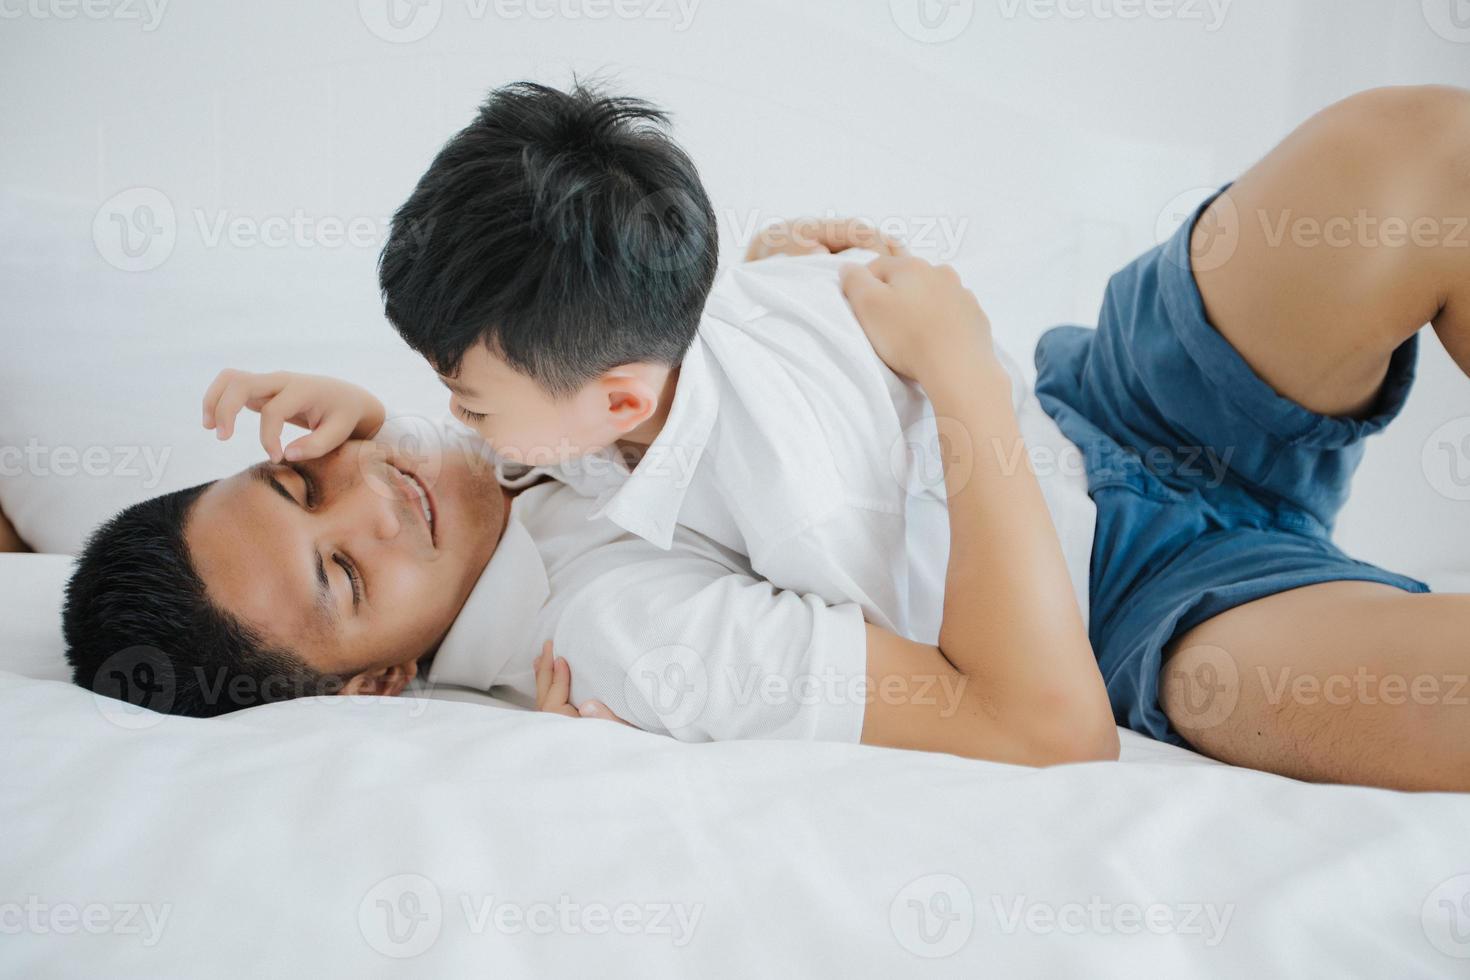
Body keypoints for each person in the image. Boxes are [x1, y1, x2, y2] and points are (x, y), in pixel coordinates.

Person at [64, 254, 1119, 766]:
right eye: (340, 573)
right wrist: (955, 361)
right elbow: (1045, 724)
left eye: (302, 481)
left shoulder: (478, 470)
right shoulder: (618, 629)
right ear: (379, 682)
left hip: (1087, 383)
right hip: (1134, 583)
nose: (373, 500)